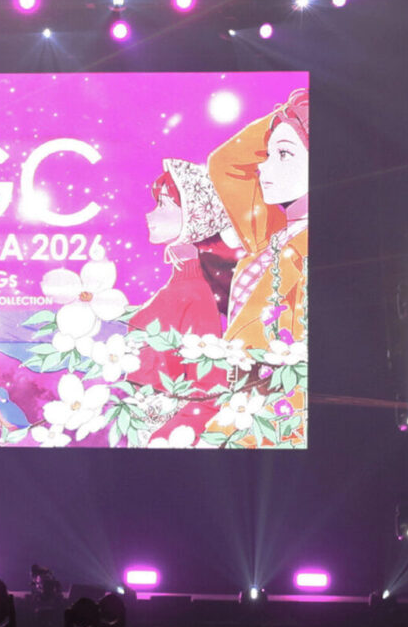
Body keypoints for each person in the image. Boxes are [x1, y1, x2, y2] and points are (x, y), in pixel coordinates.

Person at [202, 88, 309, 447]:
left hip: (275, 414)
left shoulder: (309, 247)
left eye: (283, 154)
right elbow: (226, 164)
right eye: (267, 153)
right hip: (245, 402)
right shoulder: (273, 232)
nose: (262, 165)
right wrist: (287, 115)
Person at [127, 159, 237, 446]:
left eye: (163, 205)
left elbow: (210, 389)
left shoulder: (196, 294)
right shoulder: (176, 288)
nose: (150, 214)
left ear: (194, 215)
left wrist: (161, 440)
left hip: (167, 439)